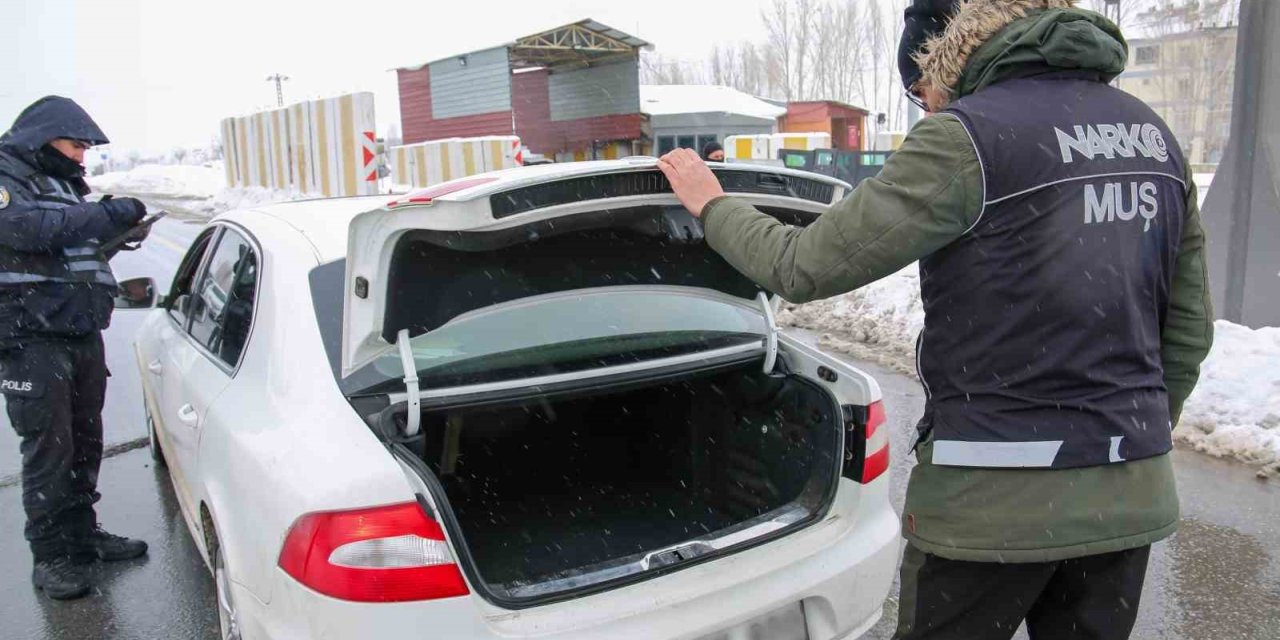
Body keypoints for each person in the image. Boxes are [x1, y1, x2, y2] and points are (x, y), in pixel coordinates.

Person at [658, 1, 1214, 637]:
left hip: (990, 509)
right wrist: (1123, 441)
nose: (925, 108)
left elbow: (800, 266)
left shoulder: (967, 137)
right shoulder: (1153, 135)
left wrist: (712, 205)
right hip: (1129, 501)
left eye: (919, 92)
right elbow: (1190, 328)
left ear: (941, 60)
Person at [0, 96, 151, 601]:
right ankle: (51, 557)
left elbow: (67, 248)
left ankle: (84, 536)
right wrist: (106, 215)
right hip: (30, 338)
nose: (82, 157)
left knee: (86, 440)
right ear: (42, 137)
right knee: (49, 449)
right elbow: (26, 230)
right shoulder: (6, 176)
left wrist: (115, 233)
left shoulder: (63, 184)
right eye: (77, 145)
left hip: (79, 331)